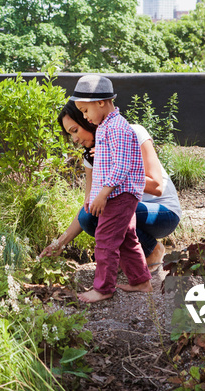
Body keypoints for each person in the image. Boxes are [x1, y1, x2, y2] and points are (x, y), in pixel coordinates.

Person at [40, 100, 181, 272]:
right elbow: (89, 206)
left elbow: (157, 186)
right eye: (70, 135)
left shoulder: (132, 132)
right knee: (89, 216)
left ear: (87, 120)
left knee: (108, 210)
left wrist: (114, 166)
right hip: (126, 212)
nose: (75, 139)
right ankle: (136, 256)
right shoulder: (90, 156)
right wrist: (59, 244)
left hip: (162, 213)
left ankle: (152, 249)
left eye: (75, 130)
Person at [58, 75, 152, 303]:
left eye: (85, 111)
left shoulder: (117, 127)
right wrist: (93, 193)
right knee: (127, 238)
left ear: (100, 102)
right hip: (119, 195)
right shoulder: (106, 127)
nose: (86, 117)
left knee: (105, 239)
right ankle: (141, 281)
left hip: (119, 195)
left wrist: (102, 194)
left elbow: (121, 166)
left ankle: (103, 288)